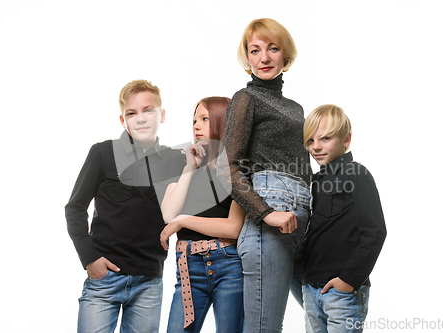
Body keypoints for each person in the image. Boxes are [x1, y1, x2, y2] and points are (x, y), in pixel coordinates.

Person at [216, 18, 313, 332]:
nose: (264, 57)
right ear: (247, 57)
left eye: (273, 49)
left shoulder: (296, 108)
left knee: (325, 314)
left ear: (286, 55)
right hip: (270, 215)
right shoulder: (247, 99)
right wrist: (265, 213)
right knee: (265, 327)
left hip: (304, 216)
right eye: (255, 50)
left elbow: (304, 167)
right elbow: (225, 166)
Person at [65, 79, 183, 333]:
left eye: (148, 110)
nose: (140, 118)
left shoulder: (175, 160)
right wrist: (90, 259)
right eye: (132, 113)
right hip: (105, 278)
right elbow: (74, 208)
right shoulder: (102, 153)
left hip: (149, 281)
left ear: (161, 115)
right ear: (123, 120)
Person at [160, 96, 245, 333]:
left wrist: (184, 221)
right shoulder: (183, 167)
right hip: (188, 267)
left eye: (204, 119)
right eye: (194, 119)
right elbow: (169, 214)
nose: (196, 125)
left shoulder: (236, 170)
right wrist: (189, 167)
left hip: (228, 264)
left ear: (223, 122)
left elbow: (233, 227)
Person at [302, 104, 387, 333]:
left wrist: (348, 281)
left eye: (325, 138)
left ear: (346, 140)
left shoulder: (357, 174)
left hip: (342, 292)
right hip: (312, 290)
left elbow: (375, 231)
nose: (316, 147)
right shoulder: (314, 181)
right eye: (310, 141)